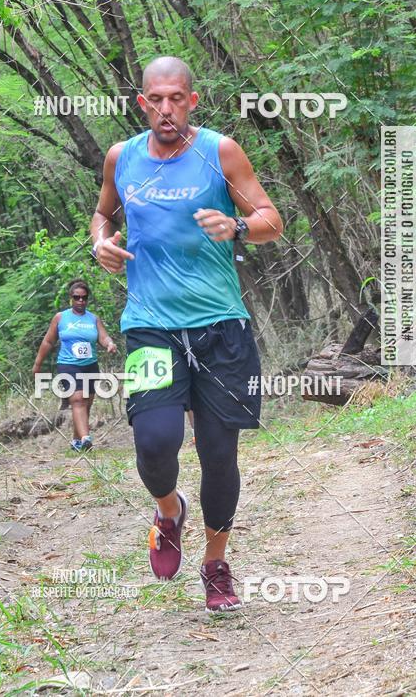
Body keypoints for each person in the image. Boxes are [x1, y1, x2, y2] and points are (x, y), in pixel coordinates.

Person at [90, 56, 283, 611]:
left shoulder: (219, 152)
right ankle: (168, 510)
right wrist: (101, 241)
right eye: (157, 99)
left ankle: (216, 564)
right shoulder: (121, 158)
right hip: (150, 328)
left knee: (220, 453)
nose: (166, 108)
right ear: (142, 102)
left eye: (177, 98)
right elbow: (103, 215)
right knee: (153, 443)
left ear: (192, 102)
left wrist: (238, 225)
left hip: (221, 327)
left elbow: (272, 218)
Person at [32, 279, 117, 450]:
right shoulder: (61, 318)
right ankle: (86, 439)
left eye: (84, 298)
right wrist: (37, 364)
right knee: (77, 400)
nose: (80, 301)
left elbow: (103, 337)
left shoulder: (93, 319)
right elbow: (48, 341)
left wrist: (109, 344)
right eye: (77, 297)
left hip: (90, 365)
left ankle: (76, 441)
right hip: (68, 365)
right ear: (70, 298)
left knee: (87, 402)